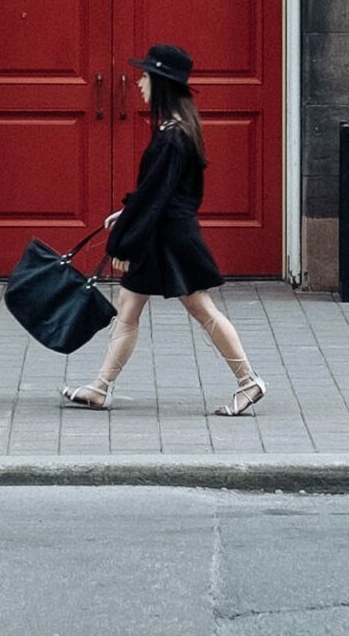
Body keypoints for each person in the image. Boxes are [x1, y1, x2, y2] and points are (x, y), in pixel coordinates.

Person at [61, 43, 267, 417]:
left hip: (170, 240)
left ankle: (249, 381)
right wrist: (126, 214)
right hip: (166, 236)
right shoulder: (179, 130)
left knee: (202, 310)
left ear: (161, 83)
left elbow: (156, 197)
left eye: (144, 76)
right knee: (128, 308)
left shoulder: (172, 136)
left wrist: (124, 240)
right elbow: (157, 193)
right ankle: (100, 387)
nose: (139, 82)